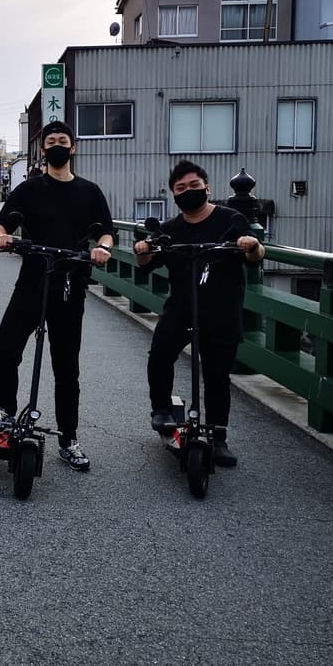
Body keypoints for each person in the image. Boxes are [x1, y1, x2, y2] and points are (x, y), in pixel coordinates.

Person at [0, 121, 115, 471]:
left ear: (73, 148)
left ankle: (68, 437)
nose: (58, 146)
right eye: (51, 141)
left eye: (64, 141)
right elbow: (2, 224)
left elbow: (106, 232)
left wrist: (103, 248)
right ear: (43, 150)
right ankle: (5, 411)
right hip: (33, 279)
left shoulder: (90, 192)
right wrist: (1, 236)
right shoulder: (29, 190)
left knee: (66, 369)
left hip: (70, 285)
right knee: (6, 349)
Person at [132, 160, 265, 467]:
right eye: (180, 188)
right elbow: (146, 263)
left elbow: (256, 256)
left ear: (207, 188)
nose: (188, 192)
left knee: (217, 376)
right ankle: (162, 409)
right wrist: (143, 250)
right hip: (182, 306)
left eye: (194, 186)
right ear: (173, 194)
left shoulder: (231, 219)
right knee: (160, 353)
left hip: (221, 308)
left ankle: (218, 437)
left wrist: (251, 244)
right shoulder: (170, 230)